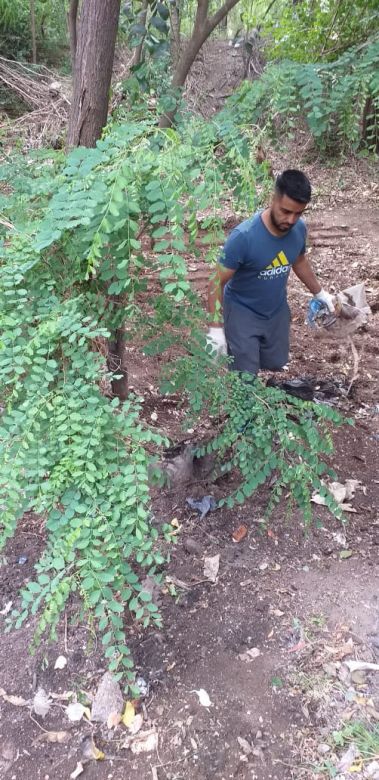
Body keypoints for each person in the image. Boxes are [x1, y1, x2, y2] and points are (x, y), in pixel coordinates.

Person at [207, 169, 334, 375]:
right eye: (286, 211)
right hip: (242, 311)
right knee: (244, 376)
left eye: (298, 213)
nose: (291, 220)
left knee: (275, 363)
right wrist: (215, 328)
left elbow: (299, 260)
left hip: (276, 310)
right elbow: (215, 282)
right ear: (272, 199)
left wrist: (320, 293)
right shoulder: (244, 237)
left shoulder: (299, 230)